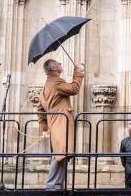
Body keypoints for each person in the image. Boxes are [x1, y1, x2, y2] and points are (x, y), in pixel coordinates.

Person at [36, 59, 85, 191]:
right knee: (60, 155)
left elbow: (39, 109)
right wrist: (78, 74)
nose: (61, 65)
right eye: (59, 63)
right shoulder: (56, 82)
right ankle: (53, 186)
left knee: (60, 154)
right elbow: (74, 89)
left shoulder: (47, 84)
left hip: (54, 124)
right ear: (53, 68)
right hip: (60, 123)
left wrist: (45, 127)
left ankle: (57, 185)